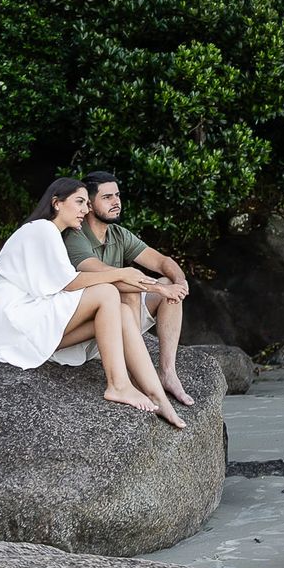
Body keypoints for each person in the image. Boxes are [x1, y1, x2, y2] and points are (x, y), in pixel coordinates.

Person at [0, 177, 186, 428]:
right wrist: (123, 274)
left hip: (34, 327)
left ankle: (158, 395)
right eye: (79, 202)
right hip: (16, 324)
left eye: (87, 204)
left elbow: (63, 284)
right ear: (56, 203)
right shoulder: (42, 229)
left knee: (121, 311)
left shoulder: (53, 233)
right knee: (107, 292)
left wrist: (159, 283)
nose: (85, 210)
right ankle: (118, 384)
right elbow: (69, 282)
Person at [64, 171, 194, 407]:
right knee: (127, 290)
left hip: (121, 319)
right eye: (107, 197)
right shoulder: (76, 237)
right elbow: (105, 275)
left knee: (167, 283)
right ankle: (132, 375)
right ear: (90, 205)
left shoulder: (118, 234)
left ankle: (167, 372)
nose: (116, 202)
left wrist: (179, 281)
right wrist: (161, 289)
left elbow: (162, 261)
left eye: (118, 195)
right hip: (91, 326)